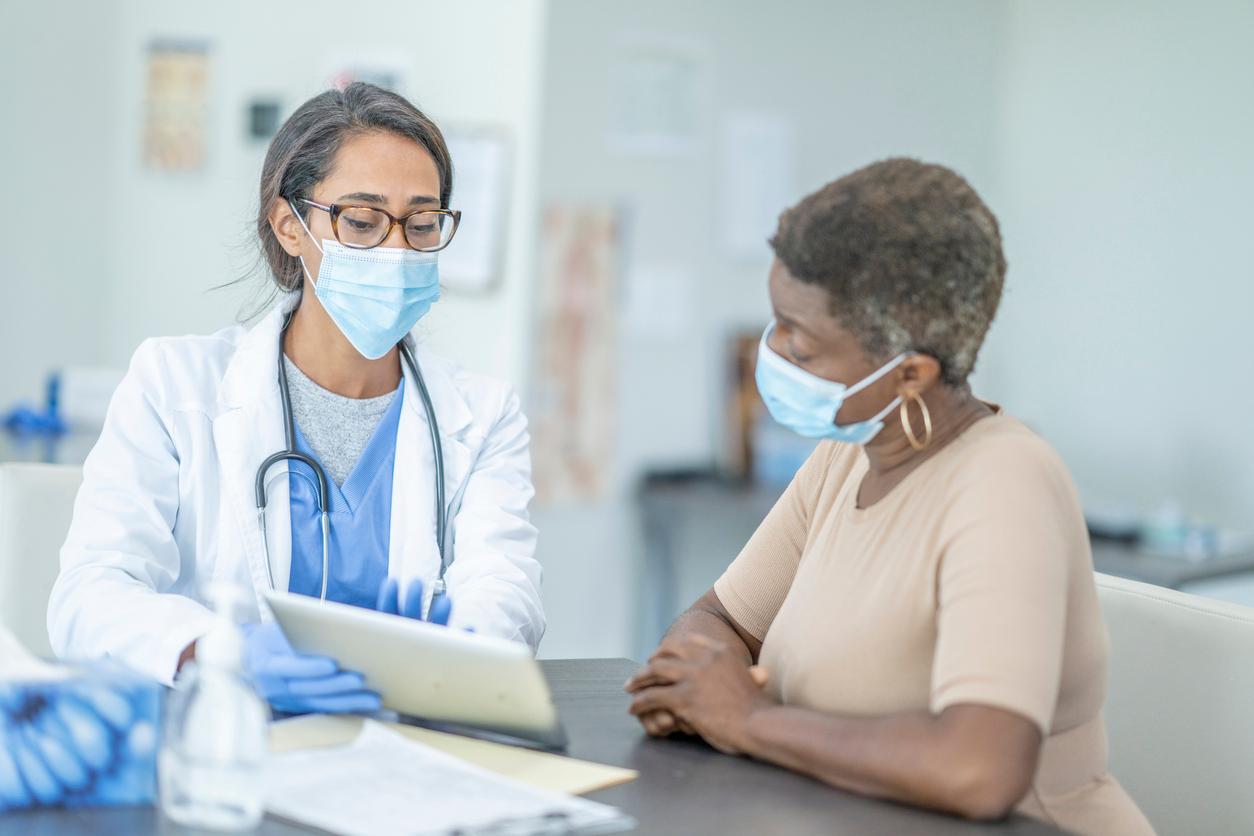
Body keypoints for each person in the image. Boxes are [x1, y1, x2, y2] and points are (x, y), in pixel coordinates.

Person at [625, 159, 1153, 835]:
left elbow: (981, 770)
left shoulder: (1004, 484)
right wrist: (699, 686)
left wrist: (745, 718)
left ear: (910, 373)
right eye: (776, 322)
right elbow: (717, 621)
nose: (774, 353)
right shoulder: (845, 454)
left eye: (802, 342)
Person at [48, 83, 544, 714]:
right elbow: (90, 595)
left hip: (401, 744)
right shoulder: (175, 385)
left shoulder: (483, 415)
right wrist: (222, 651)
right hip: (221, 744)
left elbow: (508, 592)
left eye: (421, 224)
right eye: (361, 222)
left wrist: (454, 648)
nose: (396, 250)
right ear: (289, 226)